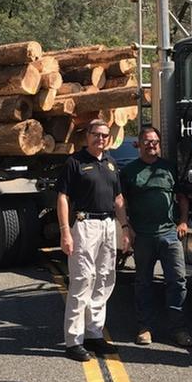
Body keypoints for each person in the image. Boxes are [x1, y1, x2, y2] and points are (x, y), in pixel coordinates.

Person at [56, 120, 132, 362]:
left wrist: (125, 227)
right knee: (81, 281)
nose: (101, 139)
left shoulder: (110, 163)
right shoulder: (75, 162)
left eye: (105, 135)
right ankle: (73, 341)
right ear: (87, 136)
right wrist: (65, 231)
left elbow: (118, 198)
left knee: (104, 279)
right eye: (96, 134)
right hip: (85, 224)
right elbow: (63, 198)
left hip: (108, 225)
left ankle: (94, 334)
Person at [120, 126, 192, 348]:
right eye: (147, 141)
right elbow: (121, 201)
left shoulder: (169, 168)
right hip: (143, 236)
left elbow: (181, 197)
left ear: (159, 144)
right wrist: (127, 227)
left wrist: (183, 221)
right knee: (143, 283)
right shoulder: (129, 171)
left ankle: (178, 329)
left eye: (155, 142)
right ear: (139, 144)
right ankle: (145, 328)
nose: (151, 145)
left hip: (169, 234)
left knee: (177, 281)